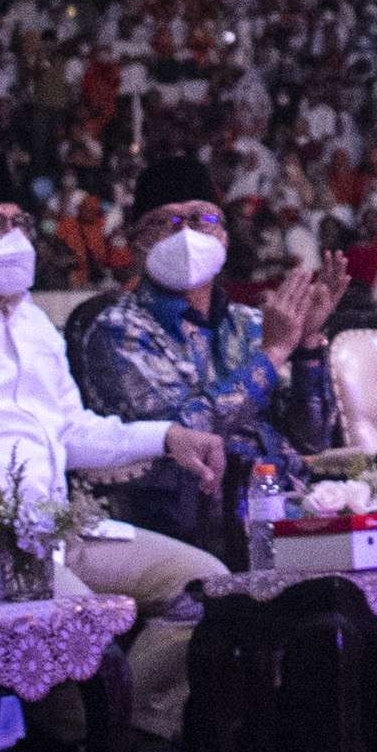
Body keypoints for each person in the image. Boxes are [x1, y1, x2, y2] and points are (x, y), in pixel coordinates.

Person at [0, 155, 227, 752]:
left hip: (57, 524)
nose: (12, 238)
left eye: (16, 221)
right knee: (83, 631)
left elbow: (70, 429)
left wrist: (167, 437)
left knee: (207, 586)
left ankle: (112, 730)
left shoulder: (29, 322)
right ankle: (85, 735)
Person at [74, 152, 341, 552]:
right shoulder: (117, 331)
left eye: (202, 219)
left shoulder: (251, 323)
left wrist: (305, 347)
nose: (186, 235)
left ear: (225, 237)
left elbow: (310, 439)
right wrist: (272, 354)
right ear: (136, 245)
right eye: (166, 222)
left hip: (286, 510)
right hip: (197, 527)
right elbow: (180, 431)